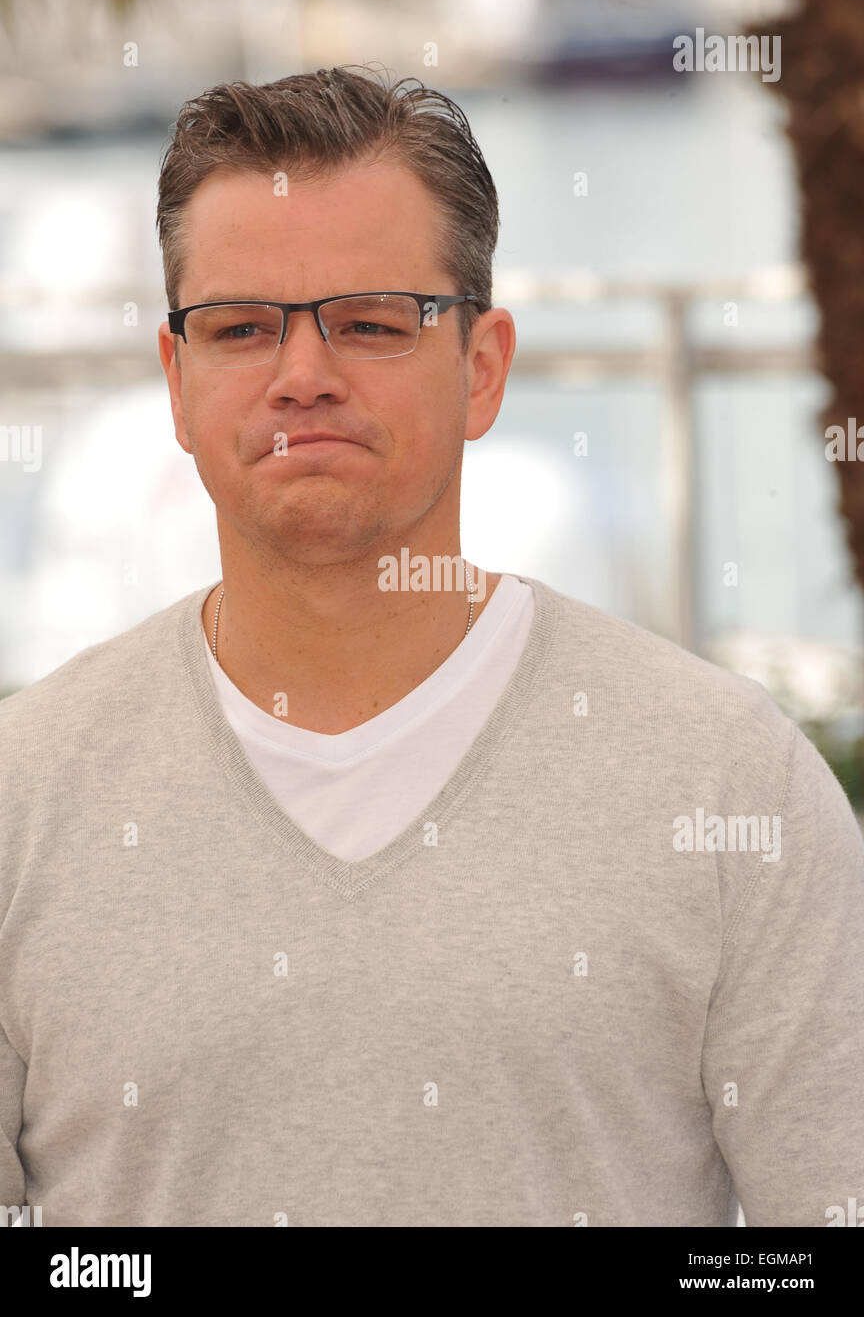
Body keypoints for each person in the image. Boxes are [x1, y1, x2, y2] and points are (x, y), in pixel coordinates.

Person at [0, 65, 862, 1229]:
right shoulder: (25, 794)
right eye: (242, 328)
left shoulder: (722, 779)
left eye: (371, 322)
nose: (303, 376)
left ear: (484, 367)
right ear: (178, 381)